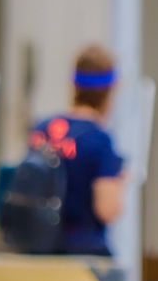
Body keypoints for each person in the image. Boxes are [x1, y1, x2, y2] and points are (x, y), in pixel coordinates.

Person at [29, 45, 127, 256]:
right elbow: (107, 210)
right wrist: (121, 183)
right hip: (82, 254)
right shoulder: (100, 140)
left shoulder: (42, 129)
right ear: (110, 92)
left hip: (37, 249)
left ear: (74, 86)